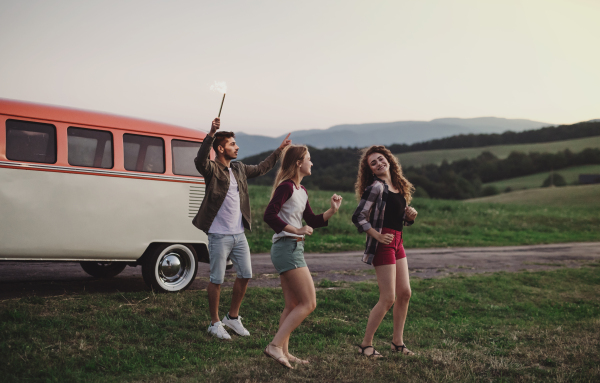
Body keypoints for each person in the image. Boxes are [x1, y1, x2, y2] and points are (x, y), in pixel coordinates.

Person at [193, 117, 291, 340]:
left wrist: (279, 151)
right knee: (217, 279)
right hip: (219, 234)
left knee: (245, 275)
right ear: (220, 148)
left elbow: (262, 168)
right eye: (232, 144)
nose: (237, 147)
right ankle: (214, 323)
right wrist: (211, 133)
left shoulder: (239, 169)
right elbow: (200, 160)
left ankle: (232, 317)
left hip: (239, 234)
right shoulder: (211, 169)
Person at [262, 145, 342, 369]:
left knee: (292, 304)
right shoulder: (286, 187)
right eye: (309, 159)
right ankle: (275, 346)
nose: (312, 163)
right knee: (309, 303)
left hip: (291, 248)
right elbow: (269, 214)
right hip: (287, 247)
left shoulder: (301, 190)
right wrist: (295, 230)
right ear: (298, 162)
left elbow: (313, 220)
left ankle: (284, 351)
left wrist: (332, 210)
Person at [351, 145, 418, 358]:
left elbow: (397, 220)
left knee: (405, 293)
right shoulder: (376, 187)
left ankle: (397, 343)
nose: (379, 163)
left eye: (381, 159)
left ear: (388, 160)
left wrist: (410, 217)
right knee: (388, 298)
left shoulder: (397, 186)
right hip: (383, 243)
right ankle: (365, 345)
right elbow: (358, 216)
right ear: (370, 170)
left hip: (398, 242)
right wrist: (377, 236)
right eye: (374, 163)